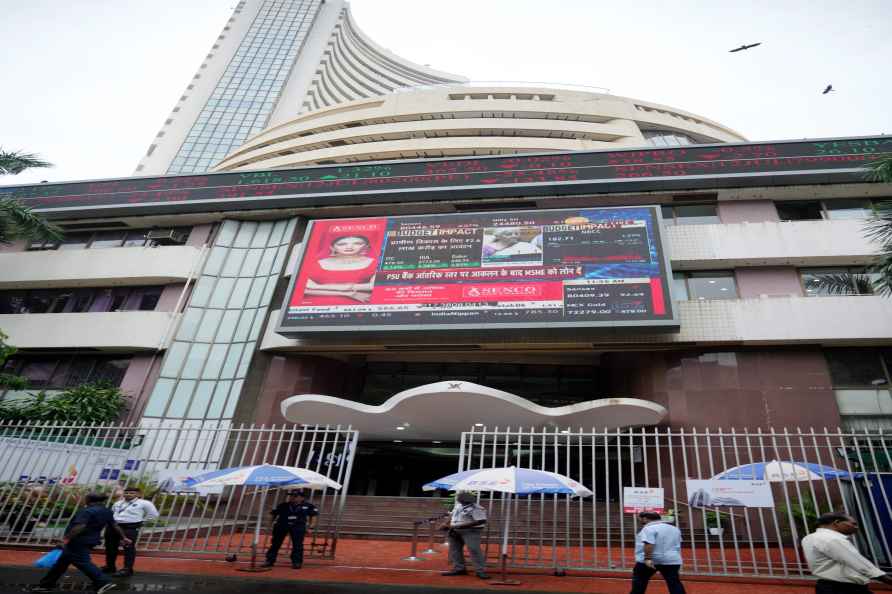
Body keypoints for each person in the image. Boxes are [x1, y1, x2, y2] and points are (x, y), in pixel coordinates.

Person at [30, 492, 129, 594]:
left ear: (88, 500)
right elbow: (115, 525)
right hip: (91, 540)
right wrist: (124, 537)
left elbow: (80, 526)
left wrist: (65, 540)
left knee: (82, 562)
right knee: (61, 563)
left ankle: (103, 581)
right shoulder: (106, 511)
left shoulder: (86, 511)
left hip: (78, 541)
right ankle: (46, 585)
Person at [802, 511, 892, 593]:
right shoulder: (832, 539)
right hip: (844, 589)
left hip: (825, 586)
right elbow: (861, 565)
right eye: (853, 524)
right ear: (836, 523)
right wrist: (887, 579)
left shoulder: (808, 538)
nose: (856, 527)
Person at [102, 486, 159, 577]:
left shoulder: (144, 503)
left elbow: (153, 515)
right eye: (126, 493)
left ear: (138, 494)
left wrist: (142, 522)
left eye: (132, 493)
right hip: (113, 527)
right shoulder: (118, 503)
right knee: (110, 547)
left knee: (128, 548)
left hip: (129, 527)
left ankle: (127, 569)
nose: (128, 494)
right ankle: (110, 566)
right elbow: (112, 513)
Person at [303, 235, 377, 304]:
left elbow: (373, 286)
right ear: (332, 247)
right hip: (313, 305)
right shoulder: (314, 263)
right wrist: (348, 293)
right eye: (341, 244)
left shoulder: (376, 262)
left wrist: (317, 287)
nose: (349, 247)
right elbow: (304, 289)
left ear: (366, 246)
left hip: (355, 306)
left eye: (357, 243)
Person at [629, 511, 686, 594]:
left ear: (645, 518)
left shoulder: (648, 528)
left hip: (652, 559)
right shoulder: (674, 528)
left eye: (640, 519)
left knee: (640, 581)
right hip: (672, 559)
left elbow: (649, 543)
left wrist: (648, 558)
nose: (639, 521)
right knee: (674, 583)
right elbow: (678, 543)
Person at [262, 490, 318, 569]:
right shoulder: (283, 505)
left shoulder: (308, 506)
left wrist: (311, 527)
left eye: (295, 496)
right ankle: (269, 560)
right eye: (291, 495)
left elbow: (314, 516)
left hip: (298, 526)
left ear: (302, 497)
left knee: (298, 545)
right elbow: (273, 514)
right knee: (275, 543)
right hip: (282, 525)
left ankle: (297, 562)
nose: (292, 497)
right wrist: (269, 525)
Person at [441, 491, 490, 580]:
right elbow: (452, 515)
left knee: (474, 550)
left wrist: (459, 526)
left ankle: (480, 571)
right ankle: (459, 568)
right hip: (455, 530)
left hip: (471, 531)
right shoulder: (458, 505)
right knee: (455, 550)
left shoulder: (477, 508)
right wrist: (445, 523)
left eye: (461, 498)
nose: (460, 500)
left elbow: (481, 521)